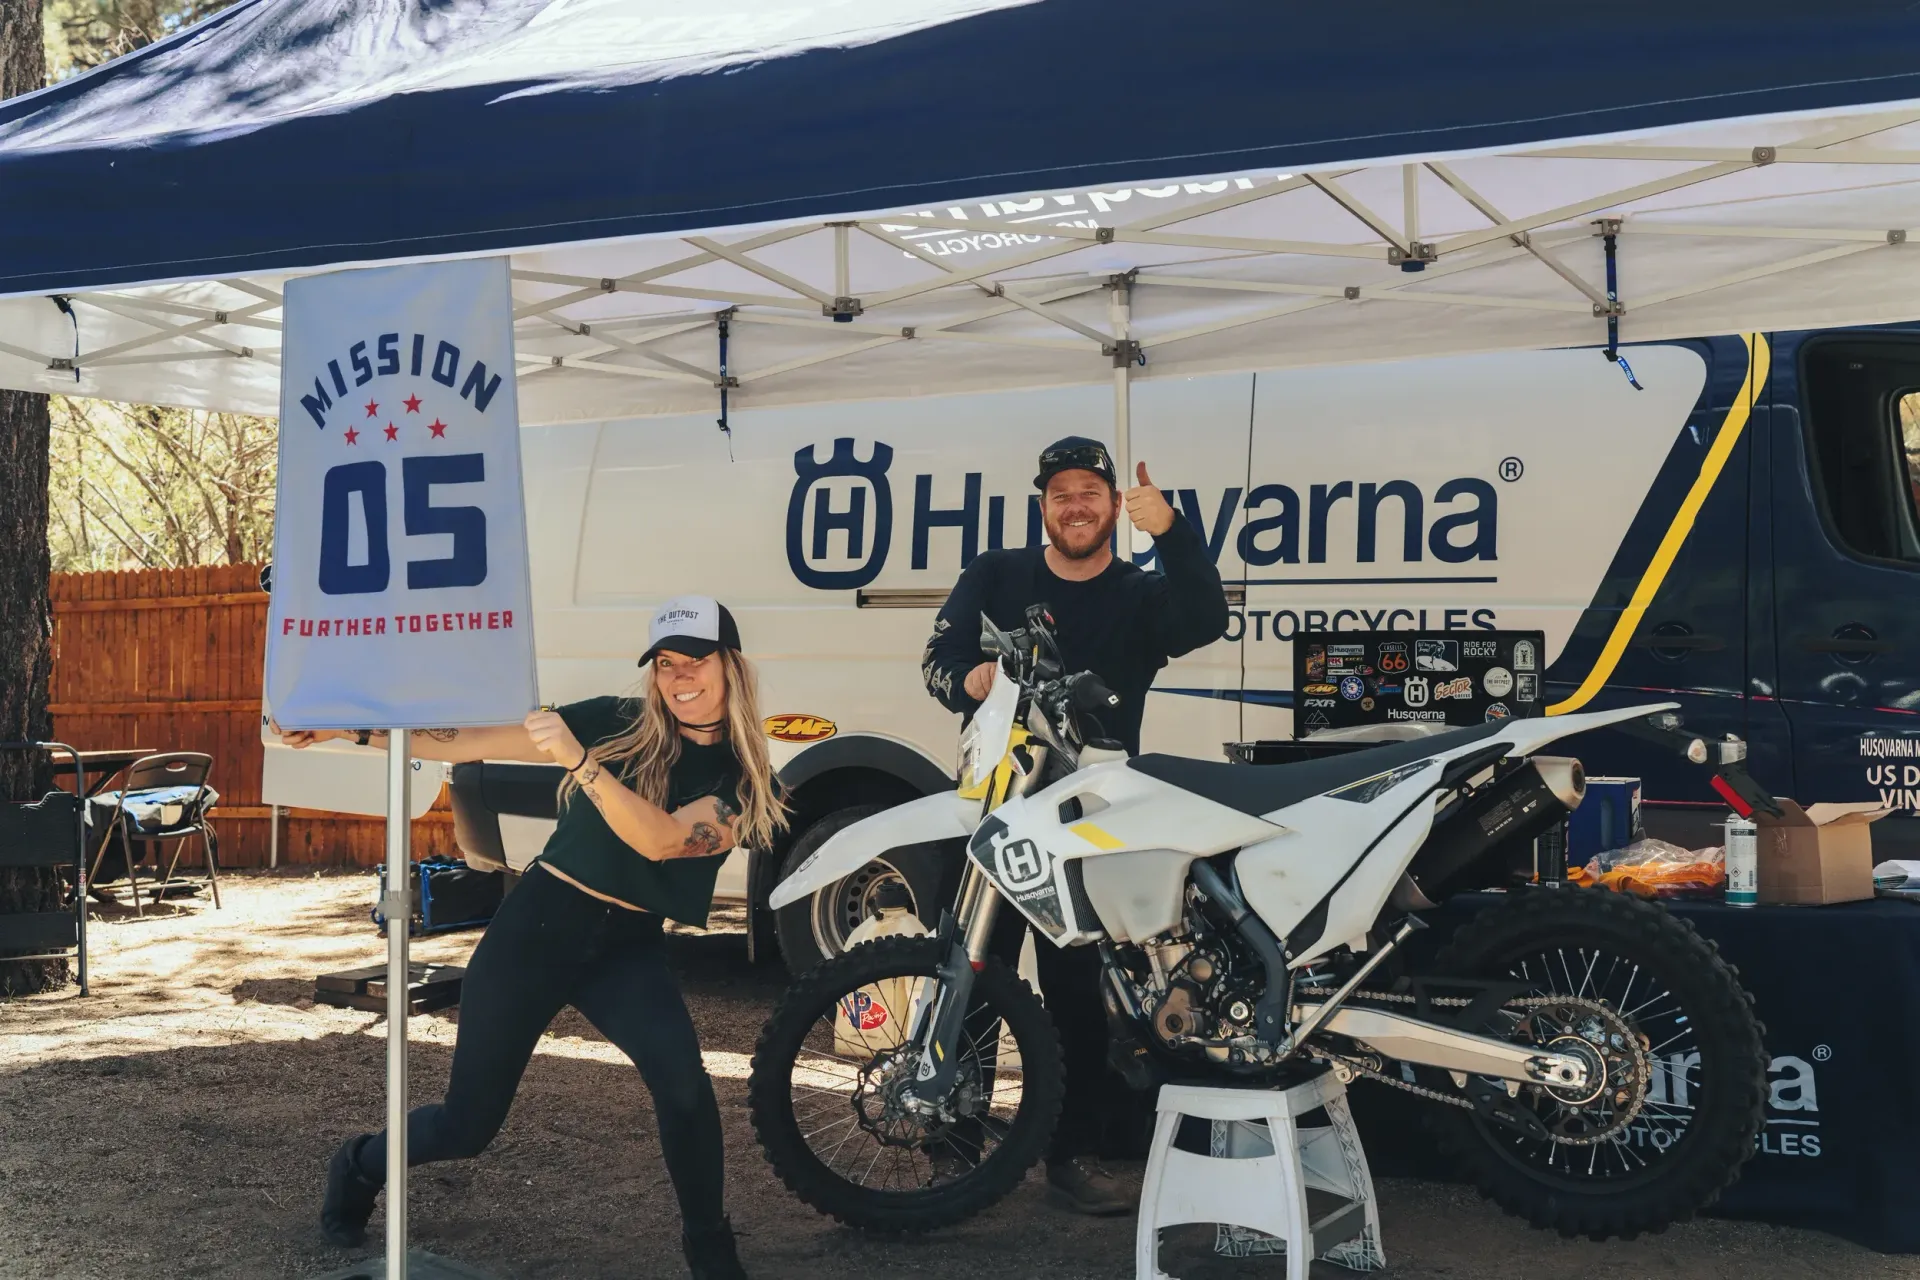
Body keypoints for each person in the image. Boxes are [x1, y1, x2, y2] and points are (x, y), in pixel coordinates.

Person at [278, 596, 785, 1280]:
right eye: (665, 663)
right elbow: (470, 741)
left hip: (626, 947)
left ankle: (711, 1252)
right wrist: (349, 731)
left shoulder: (744, 780)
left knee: (686, 1088)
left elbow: (662, 840)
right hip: (538, 926)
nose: (679, 677)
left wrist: (580, 764)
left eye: (696, 660)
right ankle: (360, 1164)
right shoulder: (617, 721)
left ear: (732, 666)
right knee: (468, 1125)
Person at [920, 436, 1229, 1214]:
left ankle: (1072, 1156)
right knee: (973, 972)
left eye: (1091, 491)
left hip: (1095, 823)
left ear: (1112, 503)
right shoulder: (996, 574)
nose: (1076, 505)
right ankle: (953, 1148)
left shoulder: (1139, 591)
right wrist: (971, 676)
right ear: (1044, 507)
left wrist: (1173, 532)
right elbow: (936, 659)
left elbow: (1207, 620)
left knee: (1077, 991)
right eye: (1061, 493)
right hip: (1000, 807)